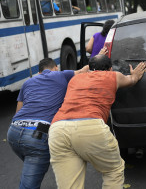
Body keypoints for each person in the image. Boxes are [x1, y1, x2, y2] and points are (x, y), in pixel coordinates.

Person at [48, 50, 146, 189]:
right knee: (113, 170)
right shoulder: (113, 76)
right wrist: (135, 75)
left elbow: (87, 70)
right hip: (90, 126)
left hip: (58, 129)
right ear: (110, 68)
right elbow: (132, 80)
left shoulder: (75, 79)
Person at [7, 58, 89, 189]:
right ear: (55, 67)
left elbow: (18, 111)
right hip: (37, 136)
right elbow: (84, 70)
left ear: (39, 72)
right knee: (30, 181)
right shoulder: (61, 74)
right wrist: (101, 54)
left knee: (29, 169)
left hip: (14, 132)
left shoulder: (27, 82)